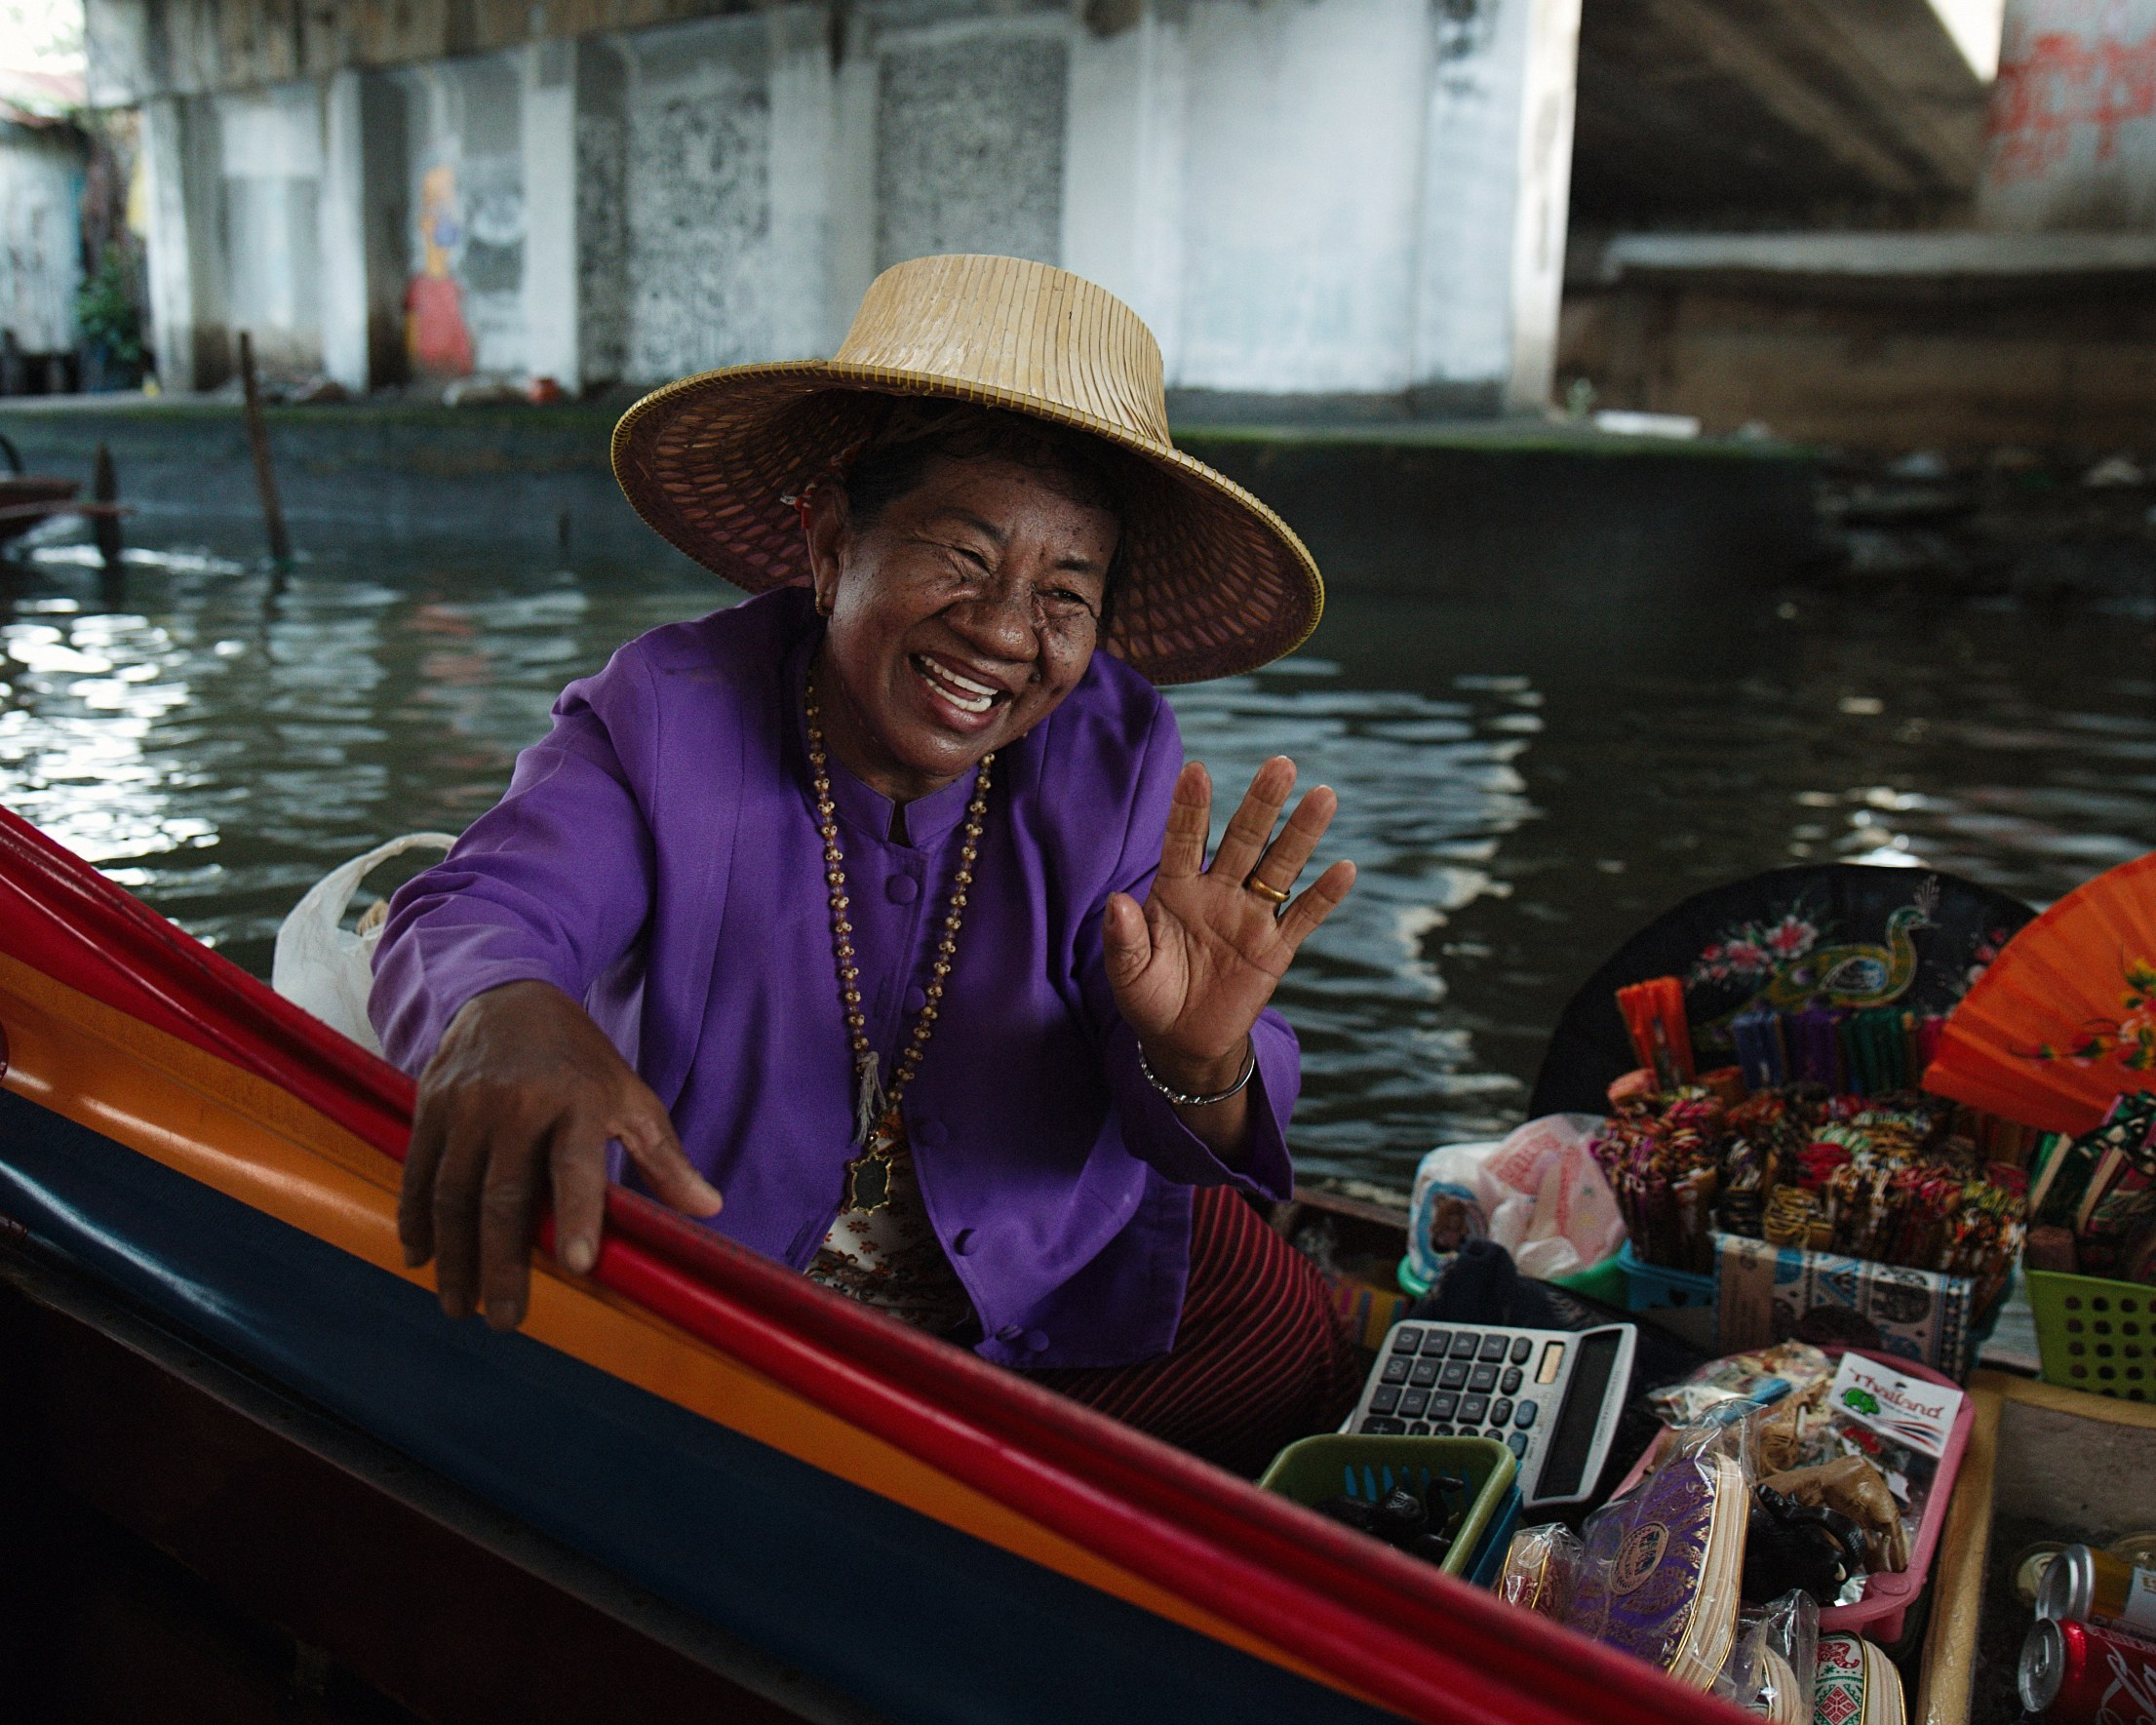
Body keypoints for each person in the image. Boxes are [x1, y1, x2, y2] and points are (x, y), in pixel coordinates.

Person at [373, 255, 1360, 1472]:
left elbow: (1177, 1103)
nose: (1006, 632)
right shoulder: (667, 710)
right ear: (833, 539)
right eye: (963, 556)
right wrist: (506, 1005)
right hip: (733, 1280)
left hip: (1038, 1276)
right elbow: (485, 904)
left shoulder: (1115, 747)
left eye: (1066, 594)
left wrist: (1197, 1057)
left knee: (1294, 1347)